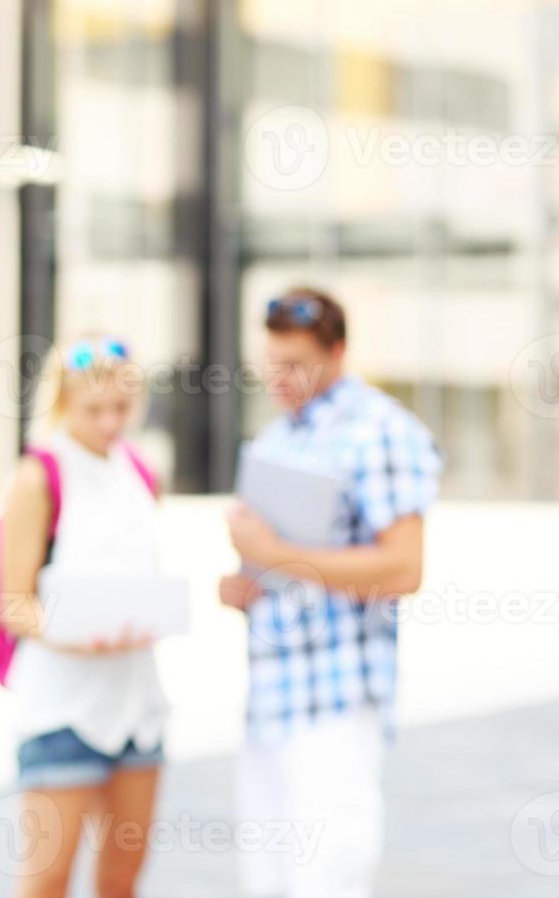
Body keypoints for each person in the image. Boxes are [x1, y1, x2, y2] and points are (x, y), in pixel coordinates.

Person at [220, 287, 442, 898]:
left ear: (338, 352)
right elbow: (282, 571)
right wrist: (249, 585)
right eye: (272, 364)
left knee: (328, 881)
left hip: (337, 701)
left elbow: (403, 569)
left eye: (296, 366)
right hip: (270, 703)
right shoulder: (276, 440)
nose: (279, 379)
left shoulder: (381, 430)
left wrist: (275, 555)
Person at [0, 335, 167, 898]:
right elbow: (13, 602)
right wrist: (77, 633)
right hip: (64, 712)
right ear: (64, 401)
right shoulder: (39, 474)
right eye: (95, 410)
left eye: (122, 408)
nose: (111, 422)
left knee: (122, 880)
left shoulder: (140, 471)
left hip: (137, 706)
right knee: (47, 881)